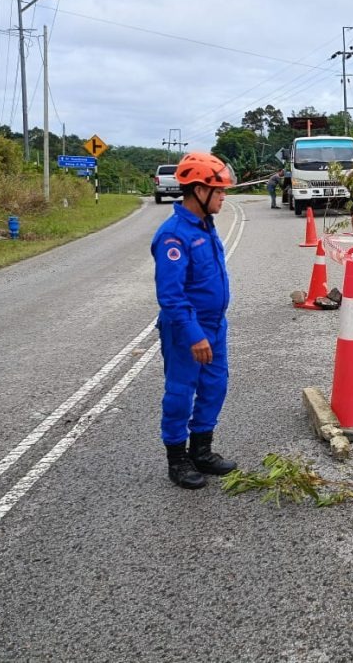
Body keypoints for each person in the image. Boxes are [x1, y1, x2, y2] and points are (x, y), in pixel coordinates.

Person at [151, 152, 239, 489]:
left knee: (214, 386)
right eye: (218, 191)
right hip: (186, 330)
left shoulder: (205, 226)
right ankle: (178, 460)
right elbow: (171, 296)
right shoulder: (174, 236)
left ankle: (202, 451)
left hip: (215, 326)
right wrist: (193, 334)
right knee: (180, 392)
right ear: (199, 191)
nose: (223, 197)